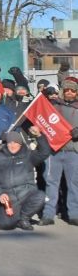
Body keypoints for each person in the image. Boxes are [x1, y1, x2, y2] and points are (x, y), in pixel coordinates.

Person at [0, 129, 51, 230]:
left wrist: (39, 136)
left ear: (20, 144)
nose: (12, 145)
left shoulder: (28, 156)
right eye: (10, 143)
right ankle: (17, 217)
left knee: (40, 196)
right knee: (5, 226)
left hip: (26, 193)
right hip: (9, 197)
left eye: (15, 143)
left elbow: (45, 152)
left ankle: (24, 218)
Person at [40, 78, 78, 226]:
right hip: (54, 151)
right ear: (63, 91)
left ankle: (74, 214)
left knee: (74, 184)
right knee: (51, 183)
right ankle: (48, 215)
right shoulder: (53, 106)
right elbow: (42, 119)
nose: (69, 92)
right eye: (67, 89)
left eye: (73, 90)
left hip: (73, 152)